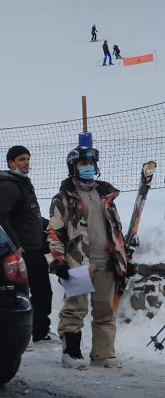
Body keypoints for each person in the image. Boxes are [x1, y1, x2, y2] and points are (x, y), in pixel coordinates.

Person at [48, 146, 132, 369]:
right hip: (77, 261)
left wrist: (125, 260)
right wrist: (59, 260)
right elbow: (54, 232)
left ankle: (103, 353)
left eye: (91, 164)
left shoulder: (105, 196)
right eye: (83, 164)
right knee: (75, 308)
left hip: (107, 261)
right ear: (73, 167)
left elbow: (116, 230)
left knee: (105, 309)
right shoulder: (64, 198)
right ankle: (71, 352)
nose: (88, 167)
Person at [0, 145, 50, 343]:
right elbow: (1, 217)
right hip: (22, 251)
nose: (26, 163)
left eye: (28, 159)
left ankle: (40, 331)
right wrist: (16, 244)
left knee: (43, 292)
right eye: (21, 159)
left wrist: (51, 225)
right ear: (11, 163)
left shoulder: (24, 183)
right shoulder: (8, 186)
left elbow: (30, 215)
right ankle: (19, 333)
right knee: (20, 294)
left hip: (35, 248)